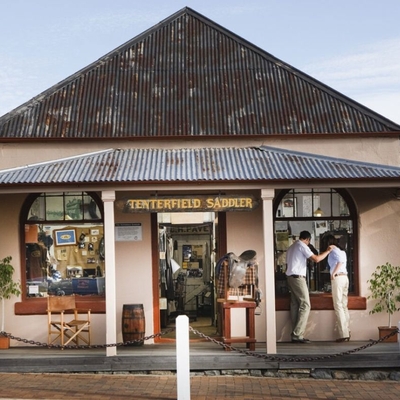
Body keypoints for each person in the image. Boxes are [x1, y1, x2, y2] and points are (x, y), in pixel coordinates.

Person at [285, 230, 334, 343]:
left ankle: (295, 333)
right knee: (306, 304)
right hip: (298, 278)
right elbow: (316, 259)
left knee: (295, 304)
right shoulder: (302, 245)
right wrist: (327, 251)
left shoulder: (292, 247)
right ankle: (297, 334)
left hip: (290, 277)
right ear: (307, 239)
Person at [325, 234, 350, 342]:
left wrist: (333, 273)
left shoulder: (332, 249)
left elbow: (339, 261)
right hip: (345, 278)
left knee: (338, 305)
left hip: (339, 278)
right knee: (344, 306)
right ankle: (347, 331)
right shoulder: (342, 251)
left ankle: (343, 334)